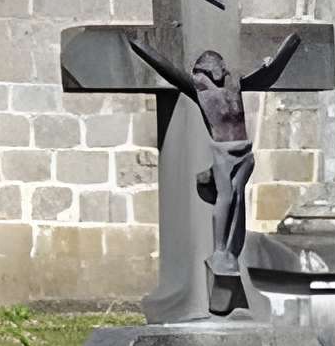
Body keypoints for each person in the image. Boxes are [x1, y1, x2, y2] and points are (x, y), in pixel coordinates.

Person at [128, 30, 304, 292]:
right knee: (226, 197)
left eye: (219, 66)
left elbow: (266, 72)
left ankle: (232, 250)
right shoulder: (200, 91)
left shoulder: (235, 86)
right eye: (212, 68)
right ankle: (219, 250)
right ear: (205, 71)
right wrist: (141, 47)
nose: (219, 70)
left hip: (244, 152)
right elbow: (168, 71)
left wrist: (288, 48)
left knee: (239, 199)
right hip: (223, 153)